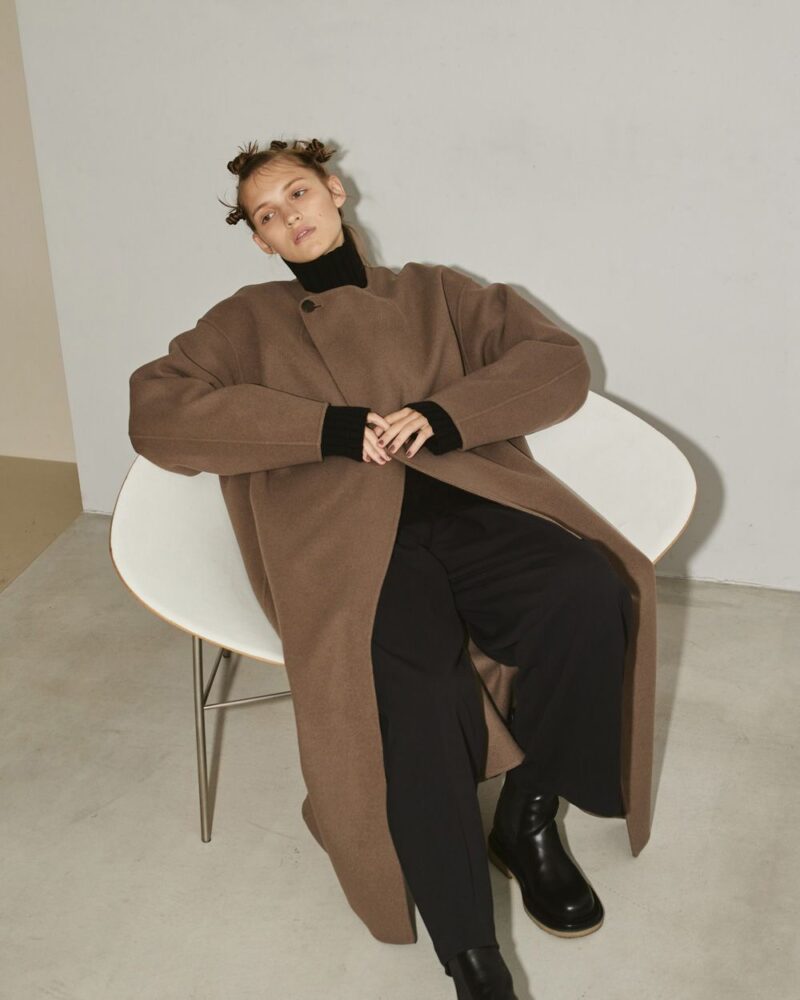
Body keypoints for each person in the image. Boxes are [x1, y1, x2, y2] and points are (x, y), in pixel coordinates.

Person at [133, 137, 636, 1000]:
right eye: (266, 214)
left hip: (472, 508)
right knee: (415, 693)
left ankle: (528, 814)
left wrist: (445, 413)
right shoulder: (241, 323)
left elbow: (556, 362)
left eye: (298, 193)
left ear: (334, 191)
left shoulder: (435, 292)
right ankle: (472, 955)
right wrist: (324, 430)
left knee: (587, 589)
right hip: (349, 545)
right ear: (259, 240)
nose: (289, 217)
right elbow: (157, 416)